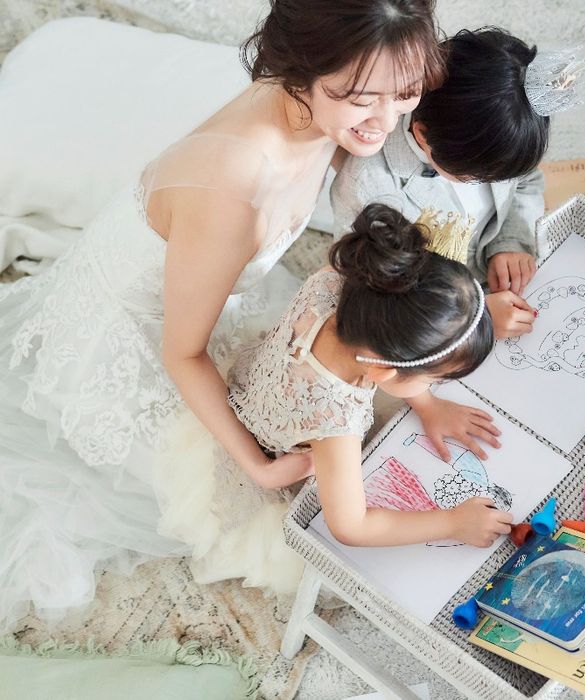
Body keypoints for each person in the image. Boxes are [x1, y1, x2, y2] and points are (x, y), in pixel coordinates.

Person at [0, 0, 445, 632]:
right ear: (303, 68)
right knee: (275, 529)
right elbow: (182, 353)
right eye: (360, 99)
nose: (387, 120)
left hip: (203, 282)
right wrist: (256, 466)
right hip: (140, 342)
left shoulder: (326, 103)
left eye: (404, 94)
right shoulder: (233, 187)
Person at [160, 203, 512, 596]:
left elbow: (398, 338)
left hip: (264, 379)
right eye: (433, 379)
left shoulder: (344, 282)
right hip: (283, 448)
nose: (432, 385)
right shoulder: (335, 420)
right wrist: (452, 523)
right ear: (383, 371)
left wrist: (429, 405)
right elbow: (351, 526)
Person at [331, 27, 585, 339]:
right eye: (474, 178)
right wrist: (473, 315)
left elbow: (526, 182)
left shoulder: (500, 138)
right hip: (436, 318)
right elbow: (380, 296)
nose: (485, 184)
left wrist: (509, 241)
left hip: (495, 283)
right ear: (423, 135)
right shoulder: (368, 188)